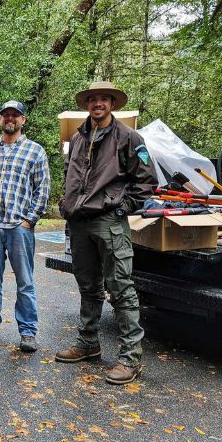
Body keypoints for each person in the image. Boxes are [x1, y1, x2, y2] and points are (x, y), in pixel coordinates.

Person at [55, 81, 157, 385]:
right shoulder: (77, 137)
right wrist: (66, 202)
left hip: (109, 222)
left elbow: (146, 180)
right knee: (88, 285)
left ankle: (130, 358)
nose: (97, 104)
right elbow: (69, 173)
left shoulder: (128, 137)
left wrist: (122, 208)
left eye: (103, 99)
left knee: (121, 288)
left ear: (112, 104)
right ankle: (88, 343)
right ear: (87, 104)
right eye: (92, 99)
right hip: (79, 221)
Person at [0, 101, 50, 353]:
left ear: (23, 120)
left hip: (19, 227)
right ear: (0, 119)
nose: (10, 119)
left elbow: (42, 189)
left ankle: (27, 331)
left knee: (24, 281)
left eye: (15, 115)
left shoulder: (35, 151)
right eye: (6, 115)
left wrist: (29, 220)